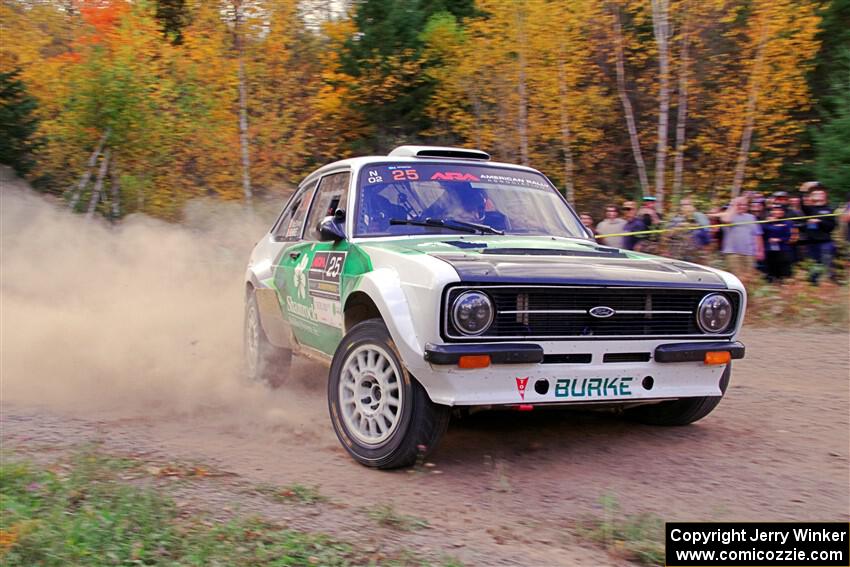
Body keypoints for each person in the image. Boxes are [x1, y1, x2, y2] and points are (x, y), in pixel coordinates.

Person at [713, 196, 764, 281]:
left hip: (749, 252)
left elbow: (757, 235)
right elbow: (726, 219)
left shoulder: (751, 217)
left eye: (744, 205)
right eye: (739, 205)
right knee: (737, 278)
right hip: (733, 253)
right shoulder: (728, 216)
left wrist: (760, 250)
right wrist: (734, 205)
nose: (742, 207)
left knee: (750, 277)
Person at [801, 184, 836, 284]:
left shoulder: (829, 209)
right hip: (811, 242)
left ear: (825, 196)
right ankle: (814, 285)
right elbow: (802, 202)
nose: (818, 195)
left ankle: (830, 283)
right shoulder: (809, 209)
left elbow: (832, 226)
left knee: (827, 263)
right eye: (815, 193)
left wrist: (819, 221)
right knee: (814, 265)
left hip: (825, 242)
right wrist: (804, 189)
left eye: (821, 193)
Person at [665, 197, 711, 263]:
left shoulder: (699, 217)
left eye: (688, 205)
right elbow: (668, 234)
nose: (685, 207)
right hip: (677, 252)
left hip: (694, 253)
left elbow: (706, 233)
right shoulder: (675, 219)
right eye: (683, 205)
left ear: (693, 207)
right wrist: (677, 228)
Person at [763, 205, 796, 282]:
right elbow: (762, 231)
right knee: (772, 270)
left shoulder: (788, 222)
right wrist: (769, 222)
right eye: (775, 210)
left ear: (783, 212)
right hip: (770, 250)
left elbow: (789, 236)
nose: (777, 212)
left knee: (785, 271)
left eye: (780, 210)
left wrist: (779, 239)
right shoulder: (767, 222)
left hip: (784, 249)